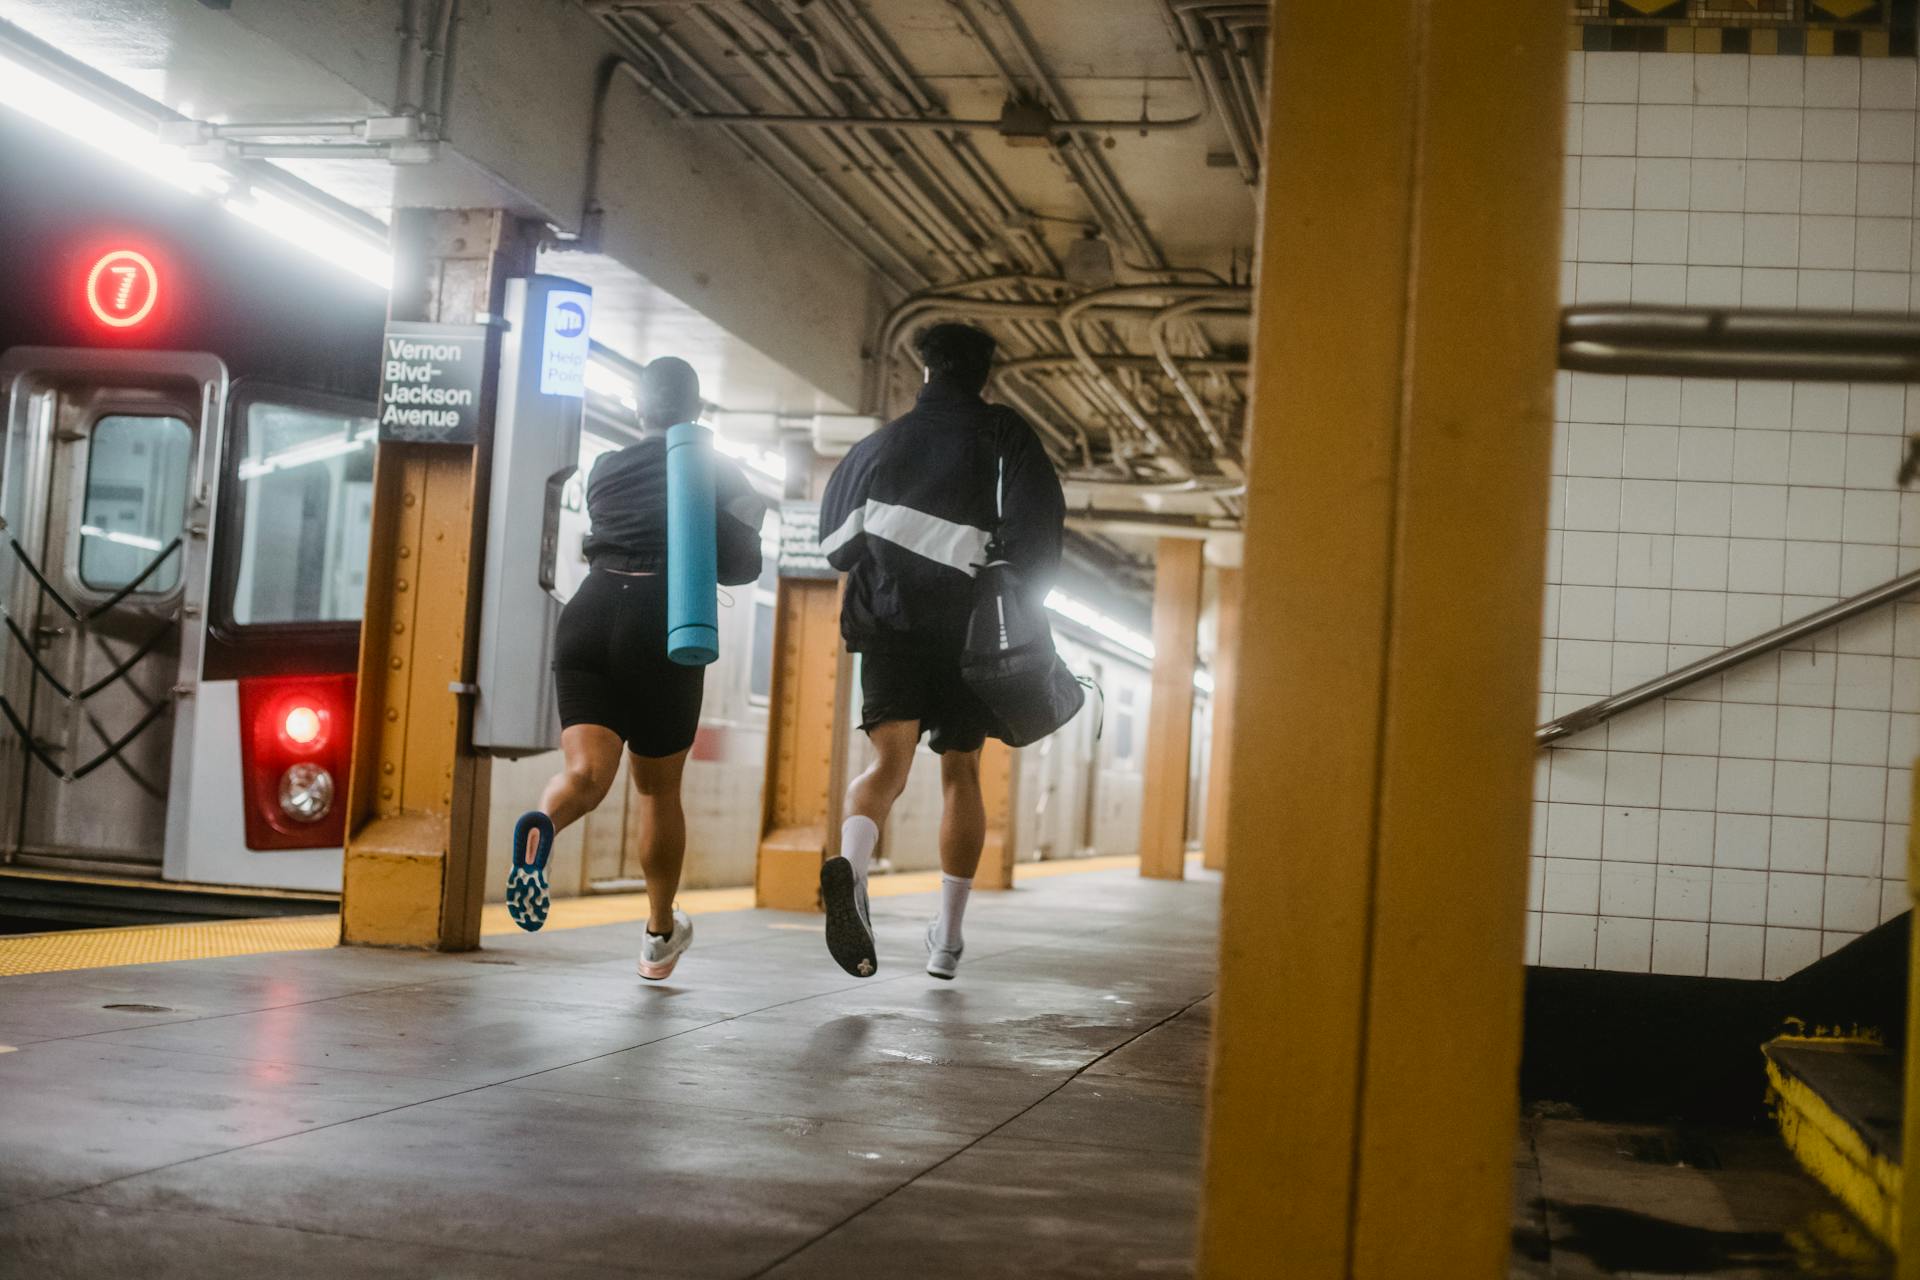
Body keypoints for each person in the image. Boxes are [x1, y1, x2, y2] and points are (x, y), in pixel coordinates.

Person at [816, 322, 1065, 980]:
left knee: (886, 768)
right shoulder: (1006, 433)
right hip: (972, 631)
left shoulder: (879, 446)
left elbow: (835, 545)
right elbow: (1039, 531)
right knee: (961, 772)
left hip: (888, 625)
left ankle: (855, 876)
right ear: (986, 377)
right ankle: (948, 940)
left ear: (924, 373)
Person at [508, 357, 768, 981]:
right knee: (657, 791)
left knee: (587, 774)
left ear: (636, 408)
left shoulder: (606, 467)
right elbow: (743, 560)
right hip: (665, 618)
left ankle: (543, 826)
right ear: (699, 410)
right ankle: (657, 935)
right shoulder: (716, 465)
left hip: (591, 612)